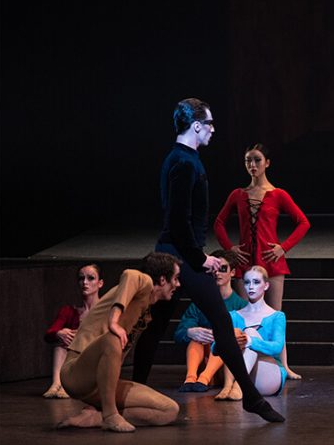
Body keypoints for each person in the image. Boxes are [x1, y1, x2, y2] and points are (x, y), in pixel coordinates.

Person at [131, 97, 284, 423]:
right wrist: (200, 259)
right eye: (210, 124)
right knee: (217, 325)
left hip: (177, 254)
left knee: (155, 329)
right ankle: (252, 399)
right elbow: (177, 220)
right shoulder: (184, 163)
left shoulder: (181, 159)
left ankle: (133, 392)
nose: (214, 129)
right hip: (179, 257)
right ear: (196, 126)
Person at [214, 143, 310, 379]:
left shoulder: (278, 194)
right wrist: (231, 250)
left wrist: (283, 248)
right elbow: (218, 223)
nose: (252, 165)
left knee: (276, 315)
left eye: (257, 160)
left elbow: (303, 223)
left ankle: (283, 367)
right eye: (248, 160)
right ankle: (240, 368)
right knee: (244, 315)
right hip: (246, 262)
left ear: (267, 163)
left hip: (270, 262)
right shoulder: (238, 194)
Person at [56, 252, 181, 433]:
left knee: (169, 410)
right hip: (76, 373)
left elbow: (117, 355)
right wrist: (113, 320)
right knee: (113, 339)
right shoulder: (144, 282)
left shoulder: (144, 311)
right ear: (162, 280)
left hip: (99, 382)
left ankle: (96, 417)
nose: (178, 284)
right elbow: (130, 274)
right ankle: (110, 416)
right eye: (175, 279)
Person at [174, 249, 247, 392]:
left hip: (229, 367)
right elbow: (179, 332)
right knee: (197, 336)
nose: (217, 273)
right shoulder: (199, 304)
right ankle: (191, 378)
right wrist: (190, 332)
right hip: (205, 361)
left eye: (223, 269)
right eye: (214, 269)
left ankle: (204, 378)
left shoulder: (241, 306)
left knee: (227, 335)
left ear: (232, 272)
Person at [216, 266, 288, 400]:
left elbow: (277, 347)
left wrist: (250, 341)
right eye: (247, 282)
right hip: (236, 372)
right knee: (235, 334)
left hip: (267, 374)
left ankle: (238, 385)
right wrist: (230, 341)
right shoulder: (234, 316)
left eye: (256, 282)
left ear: (266, 285)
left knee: (249, 333)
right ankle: (228, 386)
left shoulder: (277, 316)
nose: (251, 287)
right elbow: (216, 348)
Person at [43, 263, 104, 398]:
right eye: (81, 278)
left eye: (90, 278)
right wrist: (59, 333)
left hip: (93, 357)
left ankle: (70, 387)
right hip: (73, 359)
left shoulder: (106, 310)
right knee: (60, 347)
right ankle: (56, 384)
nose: (85, 282)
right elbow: (49, 334)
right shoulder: (70, 311)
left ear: (100, 283)